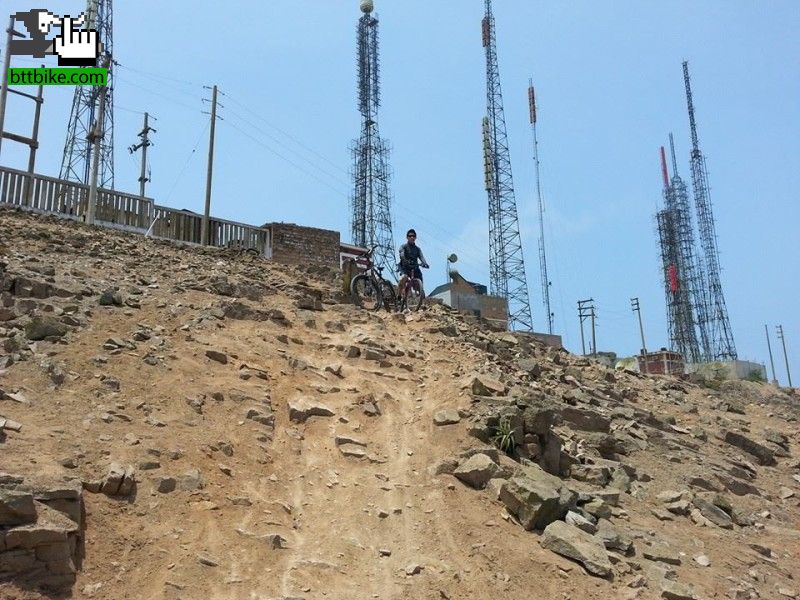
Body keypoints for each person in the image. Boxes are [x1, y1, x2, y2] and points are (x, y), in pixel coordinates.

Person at [398, 229, 429, 299]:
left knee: (420, 281)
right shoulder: (403, 246)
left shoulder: (417, 249)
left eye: (413, 236)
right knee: (404, 277)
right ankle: (399, 294)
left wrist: (425, 263)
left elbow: (421, 257)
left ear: (415, 237)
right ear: (407, 237)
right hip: (405, 267)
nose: (412, 237)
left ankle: (420, 296)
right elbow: (401, 254)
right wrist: (404, 259)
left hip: (414, 268)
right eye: (410, 236)